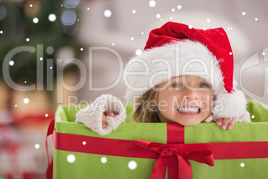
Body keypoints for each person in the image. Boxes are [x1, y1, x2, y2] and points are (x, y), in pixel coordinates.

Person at [76, 22, 250, 135]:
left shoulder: (217, 124)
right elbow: (82, 122)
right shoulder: (135, 124)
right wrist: (102, 116)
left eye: (203, 84)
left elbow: (247, 133)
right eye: (176, 84)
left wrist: (233, 116)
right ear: (153, 93)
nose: (192, 95)